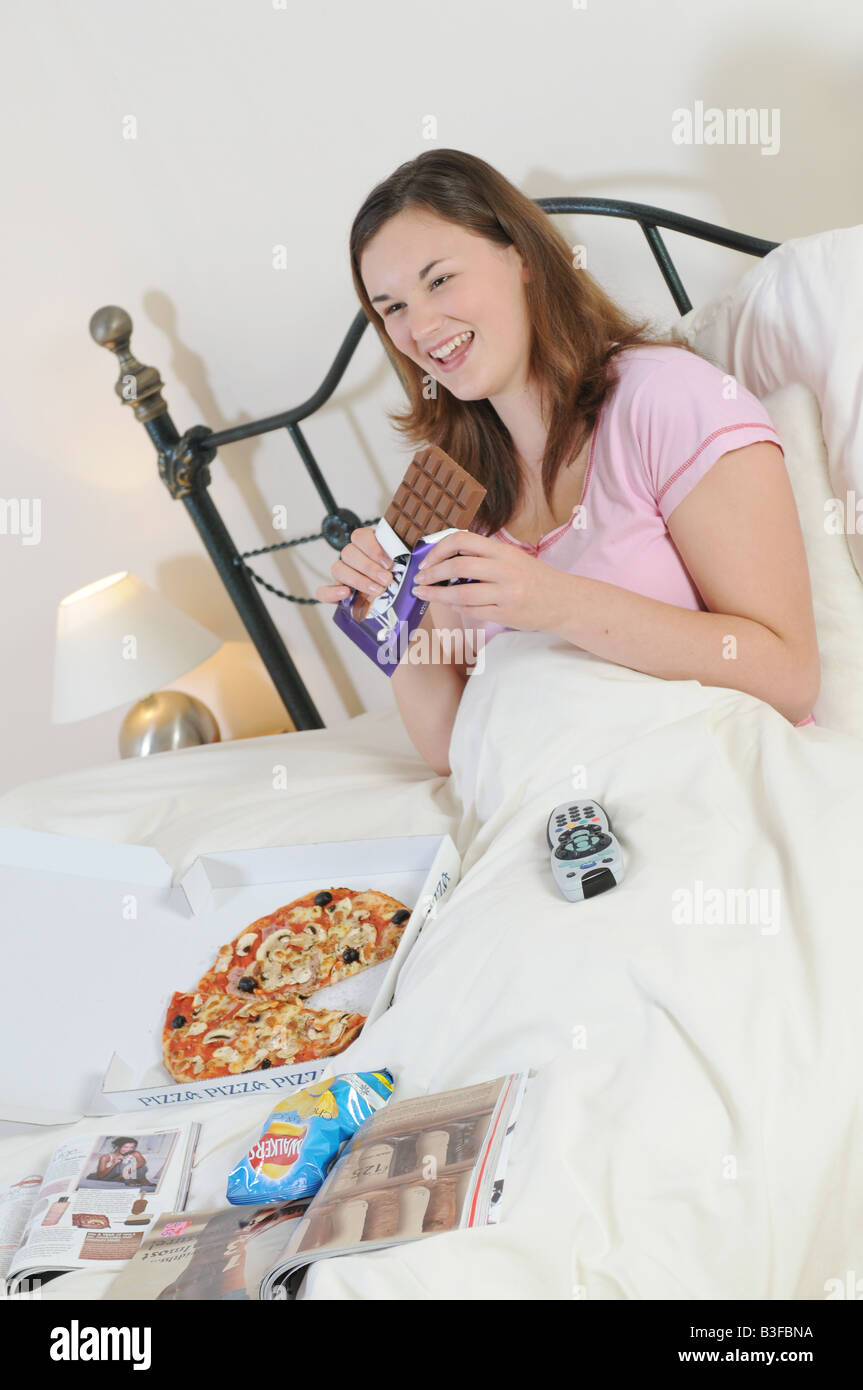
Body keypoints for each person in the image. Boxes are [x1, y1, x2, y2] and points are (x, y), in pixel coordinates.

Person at [316, 150, 820, 776]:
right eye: (391, 307)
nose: (420, 326)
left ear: (520, 256)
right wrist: (393, 617)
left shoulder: (667, 400)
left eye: (440, 280)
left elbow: (790, 678)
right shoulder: (449, 485)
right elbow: (453, 750)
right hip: (559, 817)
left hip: (720, 777)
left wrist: (554, 602)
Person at [89, 1137, 154, 1188]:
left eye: (131, 1147)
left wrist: (127, 1171)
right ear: (118, 1146)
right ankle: (129, 1180)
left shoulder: (134, 1153)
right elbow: (101, 1175)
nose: (128, 1149)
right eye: (125, 1147)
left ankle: (143, 1180)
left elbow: (142, 1162)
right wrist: (113, 1163)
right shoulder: (106, 1157)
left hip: (121, 1175)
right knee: (124, 1163)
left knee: (142, 1166)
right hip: (107, 1176)